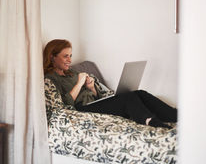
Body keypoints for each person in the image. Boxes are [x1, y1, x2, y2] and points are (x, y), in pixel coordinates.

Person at [43, 39, 177, 129]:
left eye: (70, 56)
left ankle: (174, 115)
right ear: (52, 57)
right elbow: (63, 106)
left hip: (93, 104)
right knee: (128, 98)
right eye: (65, 56)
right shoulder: (50, 79)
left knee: (139, 93)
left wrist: (91, 88)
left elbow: (95, 96)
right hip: (81, 110)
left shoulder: (71, 72)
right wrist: (79, 84)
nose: (69, 60)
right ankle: (151, 121)